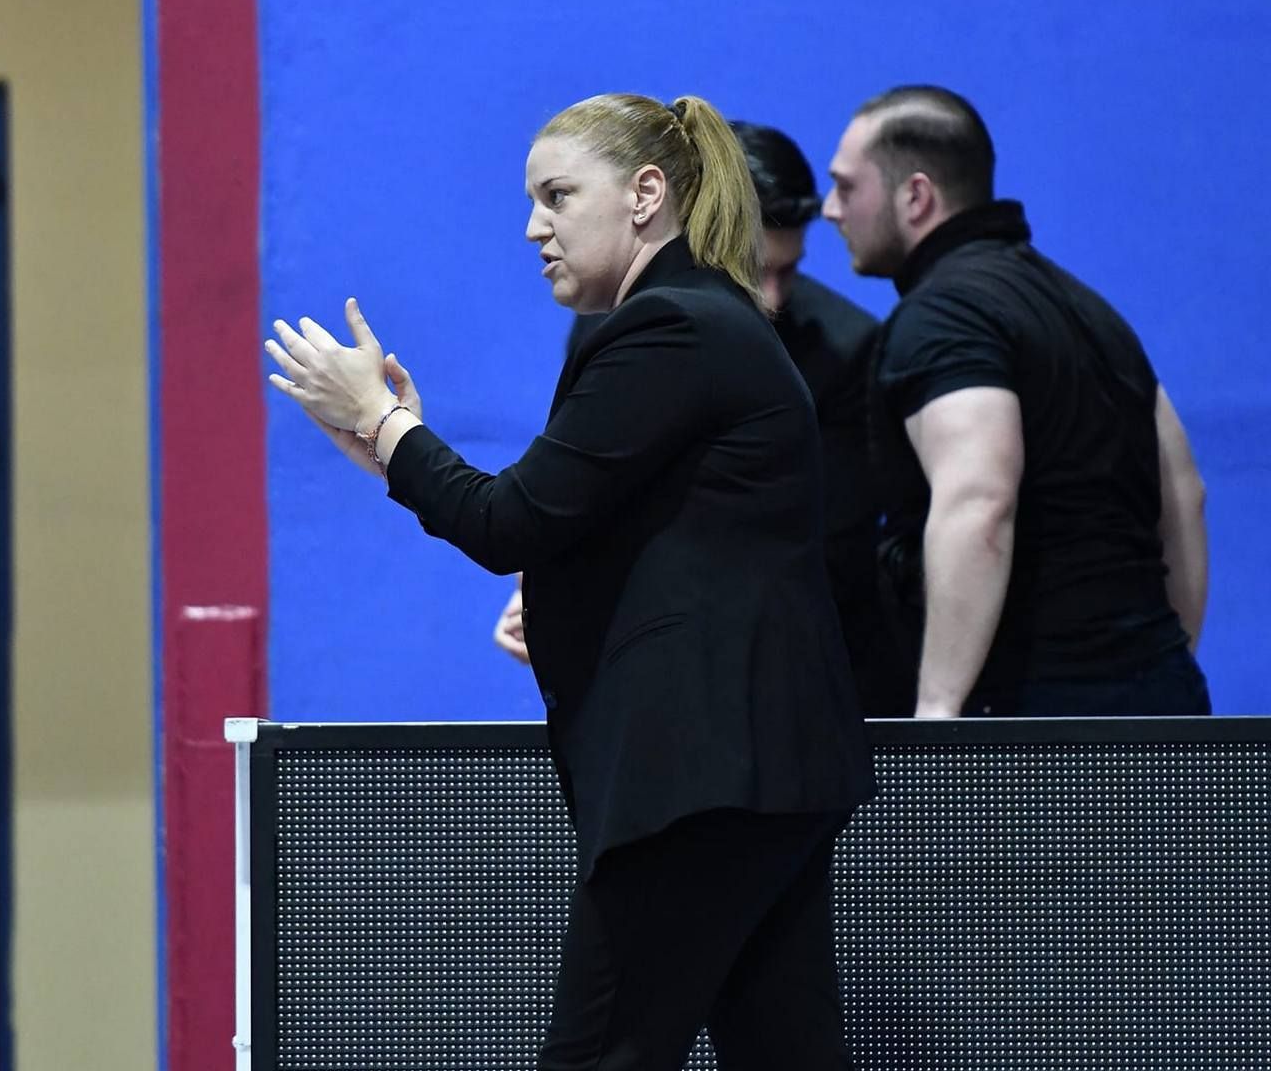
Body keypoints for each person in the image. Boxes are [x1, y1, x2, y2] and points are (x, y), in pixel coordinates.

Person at [265, 92, 873, 1070]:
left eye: (556, 195)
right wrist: (392, 447)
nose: (532, 227)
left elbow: (510, 522)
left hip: (702, 775)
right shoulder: (701, 323)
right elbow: (590, 527)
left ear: (645, 195)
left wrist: (385, 422)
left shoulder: (670, 328)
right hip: (760, 769)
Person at [820, 84, 1211, 719]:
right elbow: (1185, 496)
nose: (831, 209)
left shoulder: (945, 317)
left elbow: (980, 500)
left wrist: (938, 711)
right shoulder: (1091, 311)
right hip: (1160, 696)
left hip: (1030, 720)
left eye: (846, 186)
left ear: (915, 196)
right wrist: (1168, 665)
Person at [494, 120, 904, 715]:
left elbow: (824, 550)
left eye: (788, 272)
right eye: (753, 270)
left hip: (792, 685)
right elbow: (580, 487)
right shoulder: (615, 321)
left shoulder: (848, 349)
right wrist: (541, 589)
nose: (770, 299)